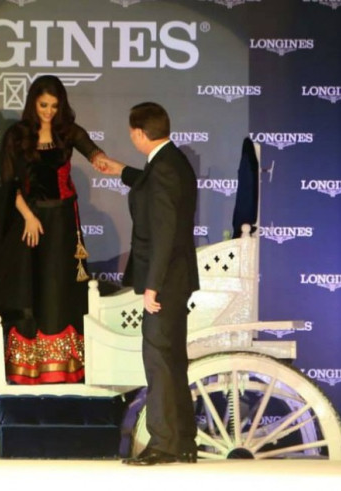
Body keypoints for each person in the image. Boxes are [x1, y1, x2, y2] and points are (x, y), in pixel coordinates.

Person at [0, 75, 109, 385]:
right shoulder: (17, 136)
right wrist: (28, 216)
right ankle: (30, 367)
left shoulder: (68, 132)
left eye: (55, 106)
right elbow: (7, 184)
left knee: (59, 289)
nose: (49, 112)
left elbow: (93, 152)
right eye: (44, 105)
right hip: (32, 223)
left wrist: (103, 161)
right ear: (33, 103)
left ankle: (63, 367)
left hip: (64, 224)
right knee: (31, 288)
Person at [97, 102, 199, 465]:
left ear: (139, 133)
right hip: (173, 278)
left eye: (131, 134)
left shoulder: (166, 168)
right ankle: (182, 441)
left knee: (159, 360)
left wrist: (152, 285)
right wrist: (120, 169)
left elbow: (166, 232)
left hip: (166, 280)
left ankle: (165, 443)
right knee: (170, 360)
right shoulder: (171, 161)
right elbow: (148, 184)